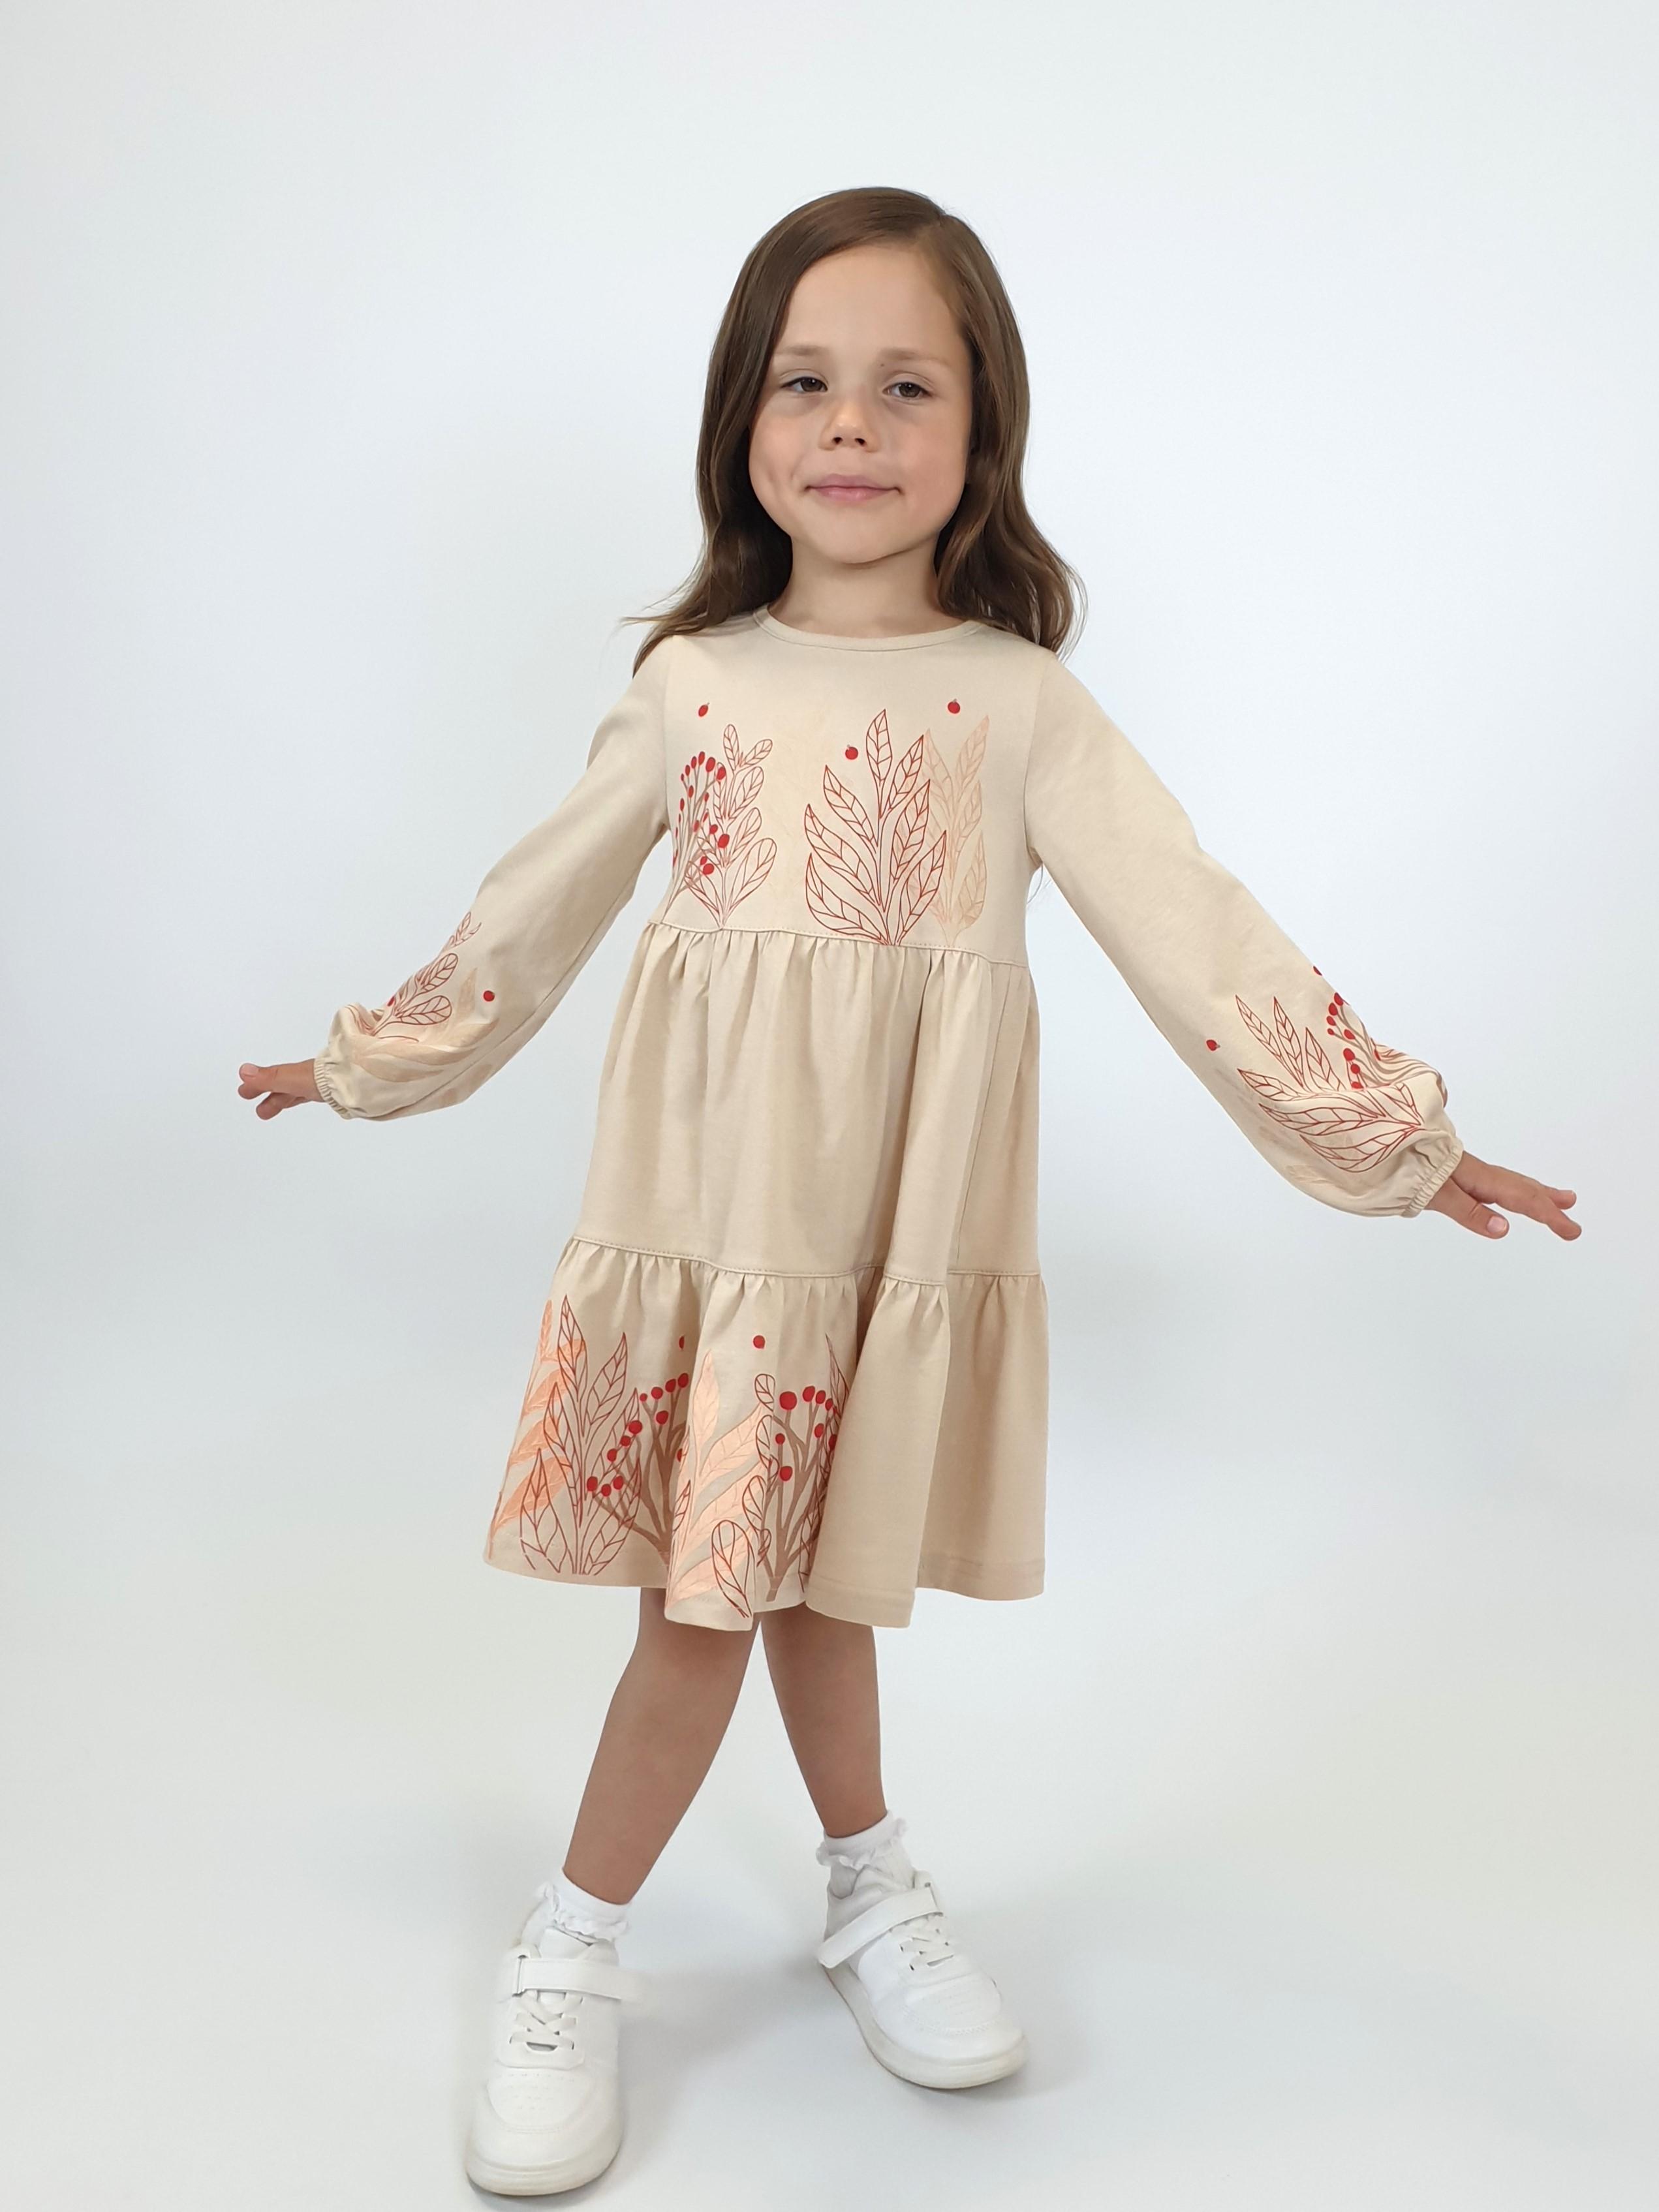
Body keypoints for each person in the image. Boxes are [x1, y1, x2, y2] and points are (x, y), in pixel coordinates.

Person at [238, 186, 1581, 2196]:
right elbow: (542, 900)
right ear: (741, 420)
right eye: (805, 382)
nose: (850, 425)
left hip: (886, 1242)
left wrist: (1391, 1138)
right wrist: (376, 1057)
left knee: (817, 1582)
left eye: (906, 386)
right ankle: (574, 1940)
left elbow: (1194, 930)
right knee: (709, 1611)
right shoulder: (695, 685)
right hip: (717, 1233)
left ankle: (865, 1884)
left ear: (983, 432)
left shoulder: (1020, 705)